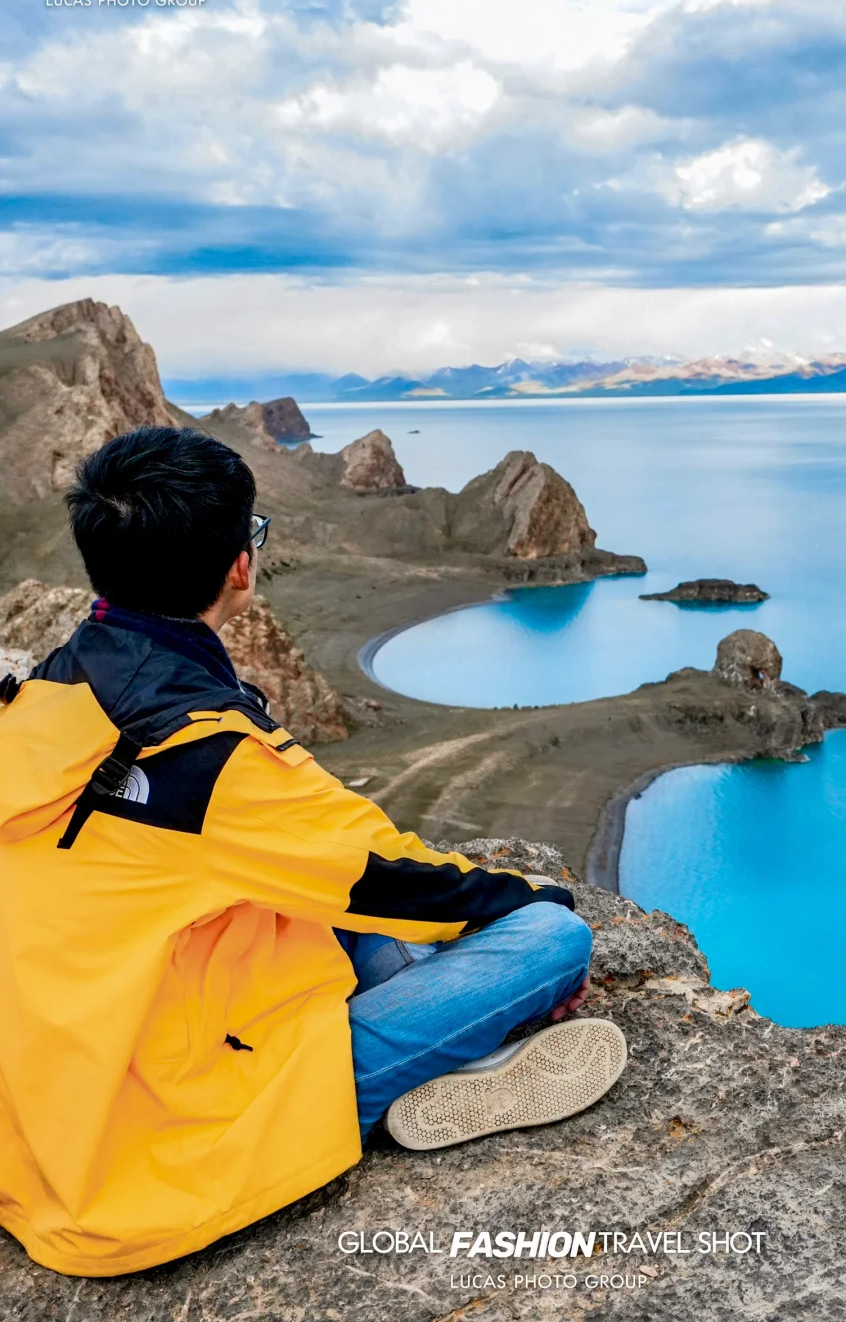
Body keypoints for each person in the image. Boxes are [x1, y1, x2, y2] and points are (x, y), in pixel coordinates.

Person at [0, 426, 627, 1279]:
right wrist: (535, 897)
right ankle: (438, 1066)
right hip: (144, 1159)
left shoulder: (47, 691)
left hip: (48, 1108)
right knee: (549, 943)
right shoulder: (212, 755)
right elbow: (384, 872)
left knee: (327, 918)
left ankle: (454, 1048)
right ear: (239, 567)